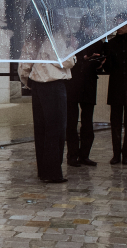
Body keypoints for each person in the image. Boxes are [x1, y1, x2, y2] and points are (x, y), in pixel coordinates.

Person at [19, 32, 76, 183]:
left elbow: (24, 66)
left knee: (41, 130)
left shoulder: (31, 37)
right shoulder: (56, 37)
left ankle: (43, 170)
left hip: (37, 85)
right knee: (56, 129)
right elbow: (66, 61)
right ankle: (53, 172)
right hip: (54, 86)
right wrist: (72, 48)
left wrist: (28, 82)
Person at [65, 41, 105, 167]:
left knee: (87, 121)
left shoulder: (96, 42)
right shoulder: (71, 40)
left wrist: (97, 61)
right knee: (71, 122)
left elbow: (101, 62)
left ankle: (84, 154)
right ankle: (72, 155)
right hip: (73, 83)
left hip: (88, 83)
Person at [103, 21, 127, 165]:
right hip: (116, 87)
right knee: (115, 122)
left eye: (122, 25)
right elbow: (108, 68)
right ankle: (116, 153)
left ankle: (126, 152)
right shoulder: (111, 43)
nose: (119, 28)